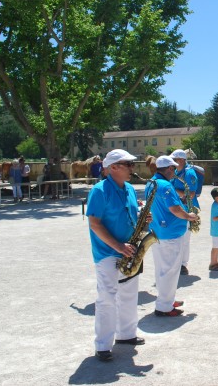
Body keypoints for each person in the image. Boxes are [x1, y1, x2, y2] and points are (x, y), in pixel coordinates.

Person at [86, 149, 145, 362]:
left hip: (129, 249)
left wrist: (142, 222)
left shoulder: (129, 188)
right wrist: (119, 246)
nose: (132, 168)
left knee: (129, 293)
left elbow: (130, 215)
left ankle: (126, 334)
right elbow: (95, 224)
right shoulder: (99, 191)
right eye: (127, 164)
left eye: (132, 163)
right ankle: (102, 345)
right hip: (108, 253)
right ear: (113, 168)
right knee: (107, 298)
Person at [147, 155, 198, 317]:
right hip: (169, 234)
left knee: (162, 268)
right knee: (170, 269)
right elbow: (175, 209)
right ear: (168, 168)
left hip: (158, 231)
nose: (175, 171)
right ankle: (164, 306)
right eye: (173, 168)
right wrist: (189, 216)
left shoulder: (151, 182)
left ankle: (167, 299)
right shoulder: (165, 186)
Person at [170, 149, 199, 276]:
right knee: (177, 237)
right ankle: (177, 263)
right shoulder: (176, 172)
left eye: (174, 160)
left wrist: (174, 190)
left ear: (181, 160)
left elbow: (191, 194)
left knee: (185, 239)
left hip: (187, 209)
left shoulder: (189, 173)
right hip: (178, 208)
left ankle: (183, 265)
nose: (173, 162)